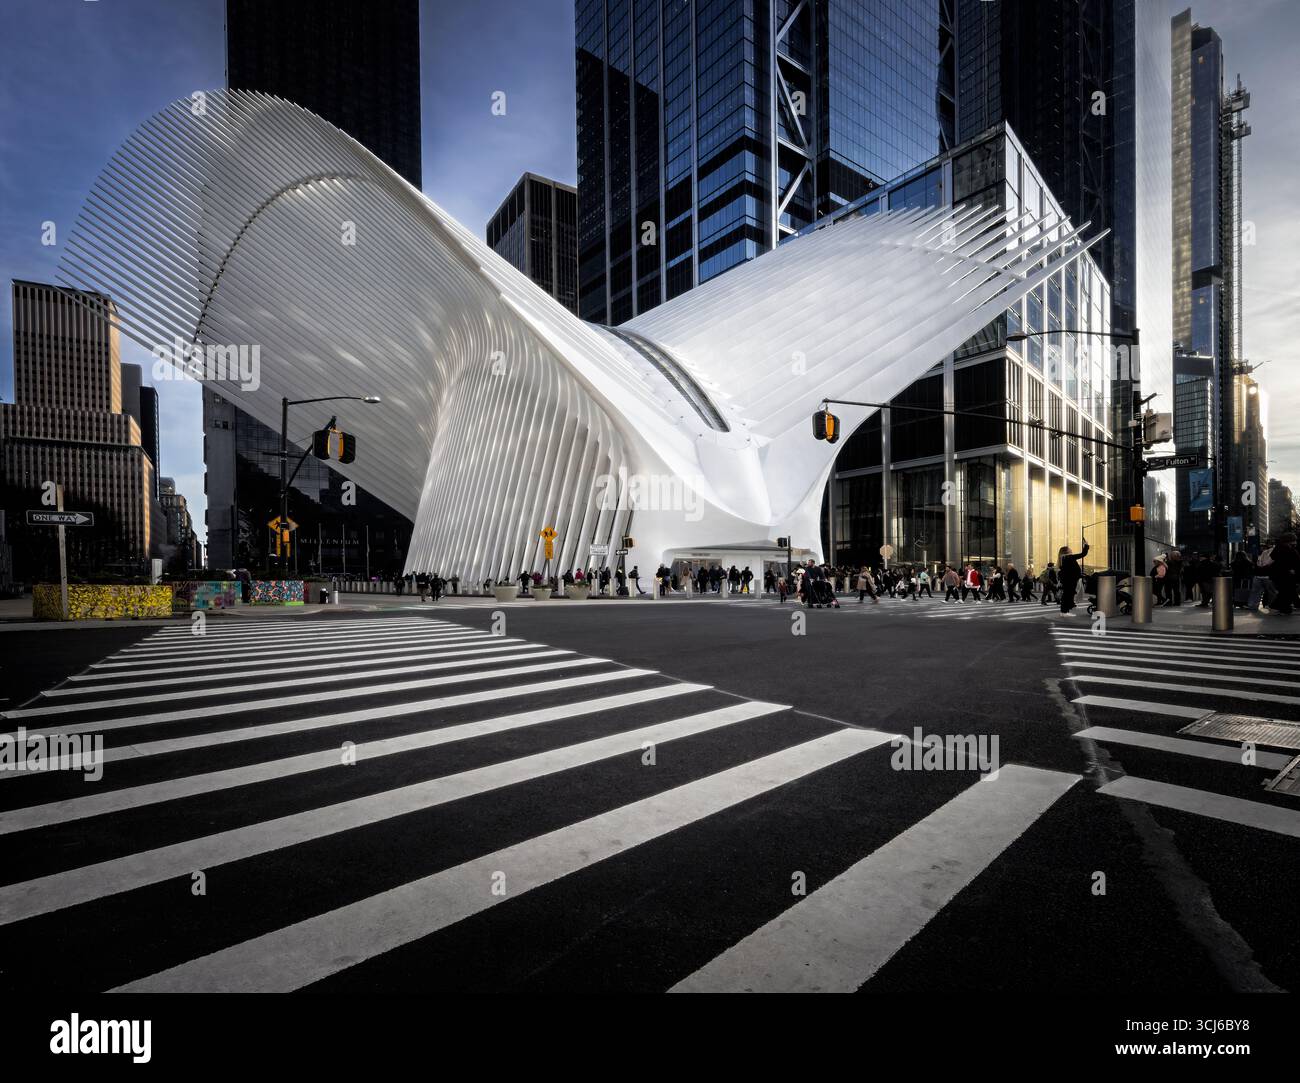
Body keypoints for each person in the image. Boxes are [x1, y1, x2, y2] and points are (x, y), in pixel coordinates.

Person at [1056, 540, 1090, 615]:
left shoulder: (1063, 559)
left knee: (1067, 595)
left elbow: (1068, 570)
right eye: (1069, 549)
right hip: (1071, 580)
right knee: (1068, 595)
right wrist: (1086, 546)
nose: (1071, 550)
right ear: (1066, 551)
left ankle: (1065, 611)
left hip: (1068, 580)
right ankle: (1065, 611)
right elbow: (1083, 554)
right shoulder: (1069, 557)